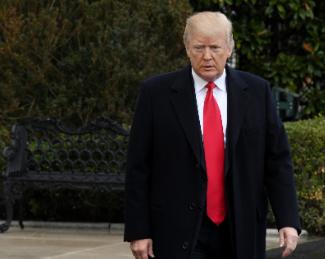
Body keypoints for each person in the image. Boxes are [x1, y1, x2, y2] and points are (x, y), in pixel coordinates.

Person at [124, 11, 301, 259]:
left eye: (215, 47)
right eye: (198, 48)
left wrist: (288, 220)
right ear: (187, 48)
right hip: (177, 227)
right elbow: (138, 167)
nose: (207, 56)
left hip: (240, 225)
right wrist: (138, 230)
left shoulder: (257, 92)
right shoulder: (156, 94)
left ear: (229, 48)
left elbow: (277, 161)